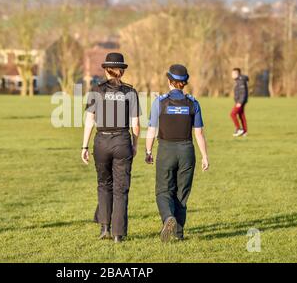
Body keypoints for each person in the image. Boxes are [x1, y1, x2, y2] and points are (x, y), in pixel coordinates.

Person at [145, 64, 209, 242]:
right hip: (187, 151)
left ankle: (168, 218)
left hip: (166, 150)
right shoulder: (193, 103)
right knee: (182, 194)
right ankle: (179, 234)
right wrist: (204, 156)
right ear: (184, 83)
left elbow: (151, 129)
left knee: (163, 191)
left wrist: (148, 150)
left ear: (169, 81)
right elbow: (199, 133)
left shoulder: (160, 102)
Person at [81, 52, 141, 244]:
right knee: (121, 189)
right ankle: (118, 234)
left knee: (103, 185)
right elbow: (136, 124)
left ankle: (104, 228)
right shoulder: (130, 92)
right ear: (121, 71)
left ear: (106, 70)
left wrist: (84, 146)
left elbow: (89, 121)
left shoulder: (96, 91)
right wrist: (135, 144)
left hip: (101, 141)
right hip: (122, 140)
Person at [230, 68, 249, 137]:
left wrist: (240, 102)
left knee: (232, 114)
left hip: (240, 102)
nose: (232, 75)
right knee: (241, 115)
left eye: (232, 73)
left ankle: (239, 129)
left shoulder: (240, 81)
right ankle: (245, 131)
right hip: (240, 101)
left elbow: (243, 93)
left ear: (236, 73)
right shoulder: (238, 80)